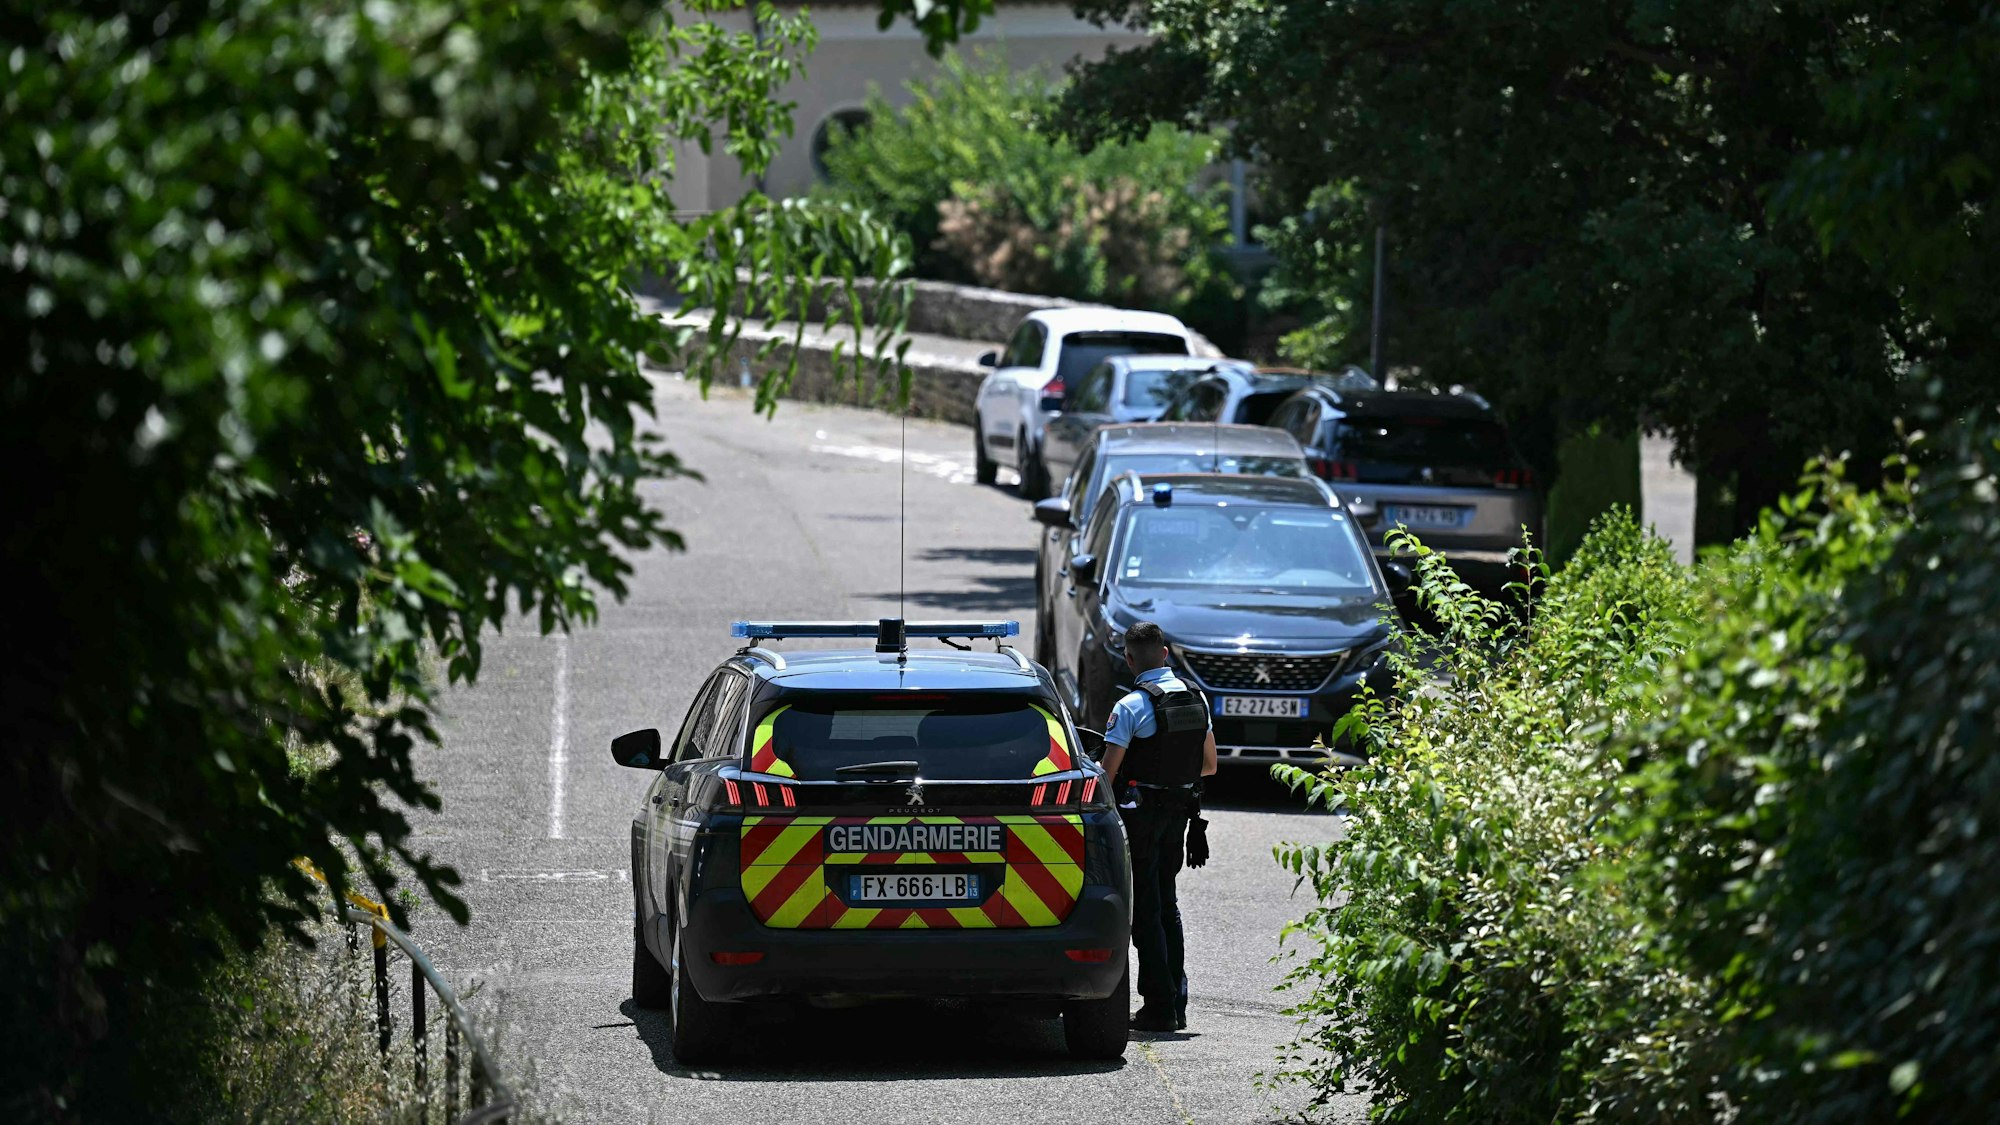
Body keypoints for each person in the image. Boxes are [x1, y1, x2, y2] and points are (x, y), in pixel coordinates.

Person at [1097, 621, 1218, 1032]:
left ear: (1129, 659)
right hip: (1179, 816)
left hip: (1142, 819)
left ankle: (1159, 1008)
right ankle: (1176, 1003)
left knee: (1146, 910)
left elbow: (1107, 775)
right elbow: (1209, 765)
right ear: (1164, 653)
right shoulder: (1197, 698)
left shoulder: (1130, 706)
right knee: (1168, 904)